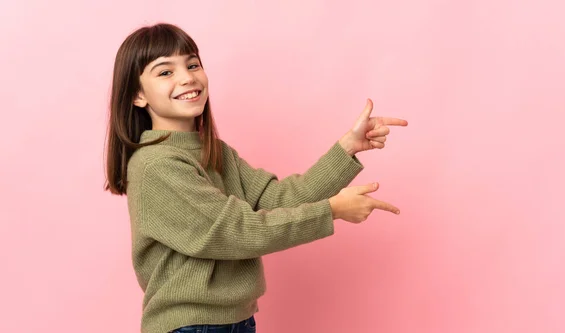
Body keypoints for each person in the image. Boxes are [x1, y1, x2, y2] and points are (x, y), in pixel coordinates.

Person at [104, 23, 408, 333]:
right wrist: (331, 211)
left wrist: (346, 149)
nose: (187, 77)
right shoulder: (157, 165)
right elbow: (235, 232)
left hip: (236, 322)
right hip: (191, 327)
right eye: (165, 72)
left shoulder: (215, 152)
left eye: (193, 64)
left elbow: (279, 200)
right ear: (138, 95)